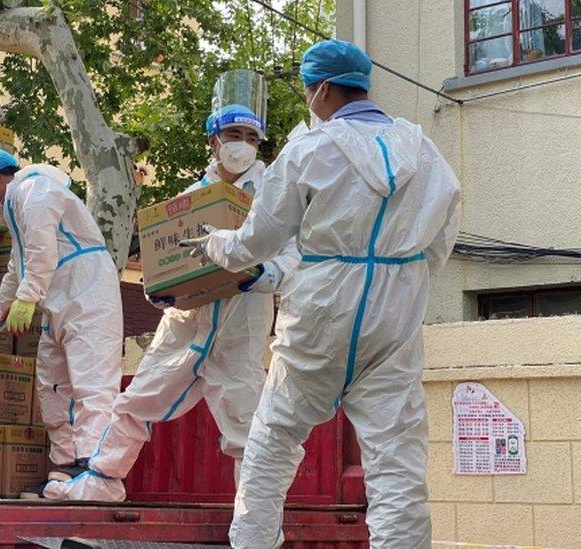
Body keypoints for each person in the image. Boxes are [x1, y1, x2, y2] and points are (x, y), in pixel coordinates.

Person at [180, 40, 461, 548]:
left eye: (309, 88)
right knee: (396, 461)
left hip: (322, 308)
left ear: (324, 89)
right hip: (394, 310)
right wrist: (404, 276)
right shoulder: (422, 148)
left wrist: (216, 244)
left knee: (272, 440)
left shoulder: (309, 149)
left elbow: (258, 242)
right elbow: (444, 234)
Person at [42, 98, 300, 503]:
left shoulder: (273, 197)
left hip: (238, 328)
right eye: (234, 135)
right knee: (134, 403)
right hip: (185, 326)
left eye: (252, 138)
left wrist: (261, 276)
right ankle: (101, 483)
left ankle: (255, 519)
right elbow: (165, 265)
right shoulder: (189, 200)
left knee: (246, 428)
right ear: (214, 141)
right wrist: (159, 293)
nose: (243, 144)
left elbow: (290, 257)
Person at [0, 151, 124, 500]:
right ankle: (65, 468)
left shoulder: (35, 190)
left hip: (88, 291)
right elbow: (16, 268)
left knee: (91, 382)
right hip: (58, 299)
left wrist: (27, 298)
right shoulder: (14, 206)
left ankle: (96, 469)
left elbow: (41, 251)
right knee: (53, 384)